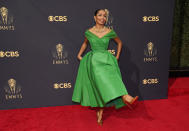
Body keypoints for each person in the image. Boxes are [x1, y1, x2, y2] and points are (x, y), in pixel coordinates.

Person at [72, 8, 138, 126]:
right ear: (95, 17)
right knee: (102, 85)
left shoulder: (109, 31)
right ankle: (125, 97)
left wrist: (117, 57)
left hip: (107, 59)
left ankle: (118, 100)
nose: (103, 18)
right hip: (94, 61)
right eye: (100, 15)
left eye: (105, 16)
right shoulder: (88, 32)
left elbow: (119, 42)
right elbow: (85, 43)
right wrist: (79, 54)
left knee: (111, 80)